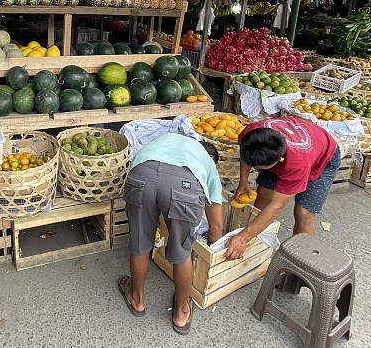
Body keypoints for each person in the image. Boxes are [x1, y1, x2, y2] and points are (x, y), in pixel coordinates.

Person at [118, 134, 224, 334]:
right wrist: (212, 259)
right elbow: (216, 227)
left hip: (142, 173)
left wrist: (148, 224)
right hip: (184, 187)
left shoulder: (167, 139)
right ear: (211, 157)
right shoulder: (207, 164)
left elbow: (150, 189)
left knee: (140, 244)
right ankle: (181, 312)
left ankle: (136, 298)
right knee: (182, 253)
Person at [225, 117, 341, 262]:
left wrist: (243, 237)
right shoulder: (252, 133)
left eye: (258, 168)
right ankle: (257, 245)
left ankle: (301, 262)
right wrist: (243, 181)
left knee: (303, 213)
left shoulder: (296, 164)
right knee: (264, 193)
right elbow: (246, 153)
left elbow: (276, 206)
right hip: (295, 147)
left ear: (279, 161)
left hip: (323, 158)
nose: (254, 169)